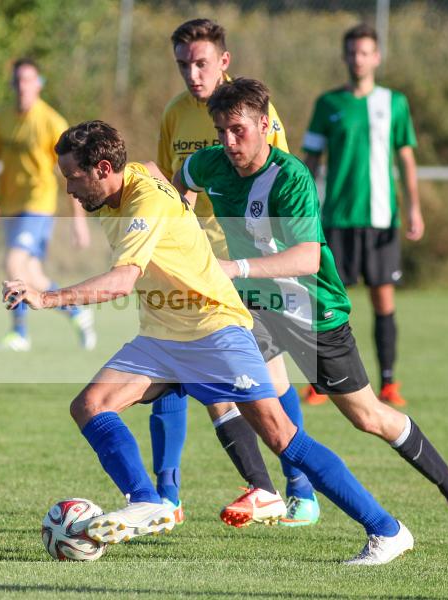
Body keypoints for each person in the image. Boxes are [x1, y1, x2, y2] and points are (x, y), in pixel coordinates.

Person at [3, 119, 414, 565]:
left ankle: (386, 530)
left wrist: (46, 297)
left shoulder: (143, 204)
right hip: (164, 335)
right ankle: (148, 500)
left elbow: (122, 281)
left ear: (102, 168)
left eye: (73, 177)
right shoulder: (127, 180)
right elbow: (148, 168)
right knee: (90, 405)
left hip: (215, 328)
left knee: (281, 436)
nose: (69, 190)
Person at [174, 77, 448, 548]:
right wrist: (183, 223)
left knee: (368, 417)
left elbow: (307, 258)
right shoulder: (210, 164)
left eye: (237, 130)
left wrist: (231, 266)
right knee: (228, 383)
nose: (228, 142)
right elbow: (182, 182)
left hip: (312, 314)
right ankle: (266, 490)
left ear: (264, 125)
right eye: (220, 131)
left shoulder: (289, 176)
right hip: (257, 309)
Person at [152, 17, 319, 529]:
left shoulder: (254, 113)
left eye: (201, 63)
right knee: (181, 374)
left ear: (224, 61)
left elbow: (280, 182)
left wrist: (252, 263)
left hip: (245, 268)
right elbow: (171, 185)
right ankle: (167, 497)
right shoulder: (176, 114)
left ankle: (297, 486)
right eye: (184, 64)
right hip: (193, 266)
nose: (192, 74)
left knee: (260, 379)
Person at [301, 24, 424, 407]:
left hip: (381, 219)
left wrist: (414, 207)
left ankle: (388, 382)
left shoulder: (394, 103)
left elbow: (405, 157)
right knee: (324, 300)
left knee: (382, 300)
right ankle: (318, 382)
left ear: (377, 57)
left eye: (365, 52)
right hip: (336, 218)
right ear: (345, 56)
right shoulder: (328, 104)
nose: (358, 58)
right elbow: (310, 160)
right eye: (352, 52)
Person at [0, 57, 96, 352]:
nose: (23, 86)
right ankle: (77, 313)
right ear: (12, 84)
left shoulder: (51, 122)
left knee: (13, 263)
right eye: (18, 80)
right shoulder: (1, 121)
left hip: (38, 204)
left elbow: (72, 174)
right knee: (33, 278)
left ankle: (19, 333)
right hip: (10, 206)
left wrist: (79, 222)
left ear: (39, 84)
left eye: (29, 80)